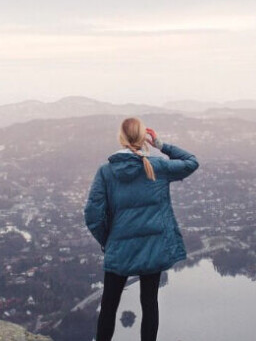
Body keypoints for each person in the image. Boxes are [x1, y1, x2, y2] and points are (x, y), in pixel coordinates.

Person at [84, 117, 200, 341]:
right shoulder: (158, 166)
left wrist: (108, 240)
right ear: (143, 137)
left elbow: (93, 216)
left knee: (109, 305)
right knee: (149, 303)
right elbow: (191, 162)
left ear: (121, 138)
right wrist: (161, 145)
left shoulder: (106, 172)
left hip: (119, 249)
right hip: (152, 249)